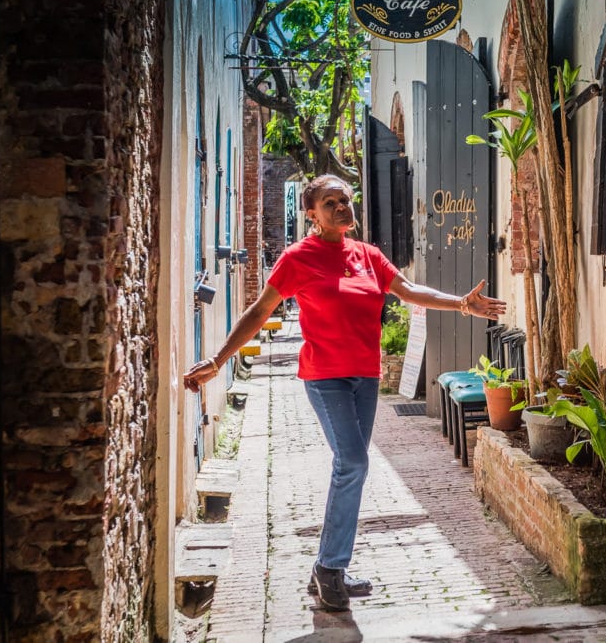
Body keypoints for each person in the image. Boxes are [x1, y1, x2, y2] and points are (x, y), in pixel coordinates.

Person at [183, 174, 505, 611]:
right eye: (331, 202)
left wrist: (462, 304)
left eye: (346, 200)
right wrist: (219, 361)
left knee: (351, 467)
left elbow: (409, 291)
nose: (341, 207)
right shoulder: (299, 258)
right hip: (325, 376)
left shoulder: (367, 256)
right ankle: (329, 569)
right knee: (352, 462)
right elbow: (260, 311)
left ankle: (332, 567)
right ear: (312, 214)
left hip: (366, 377)